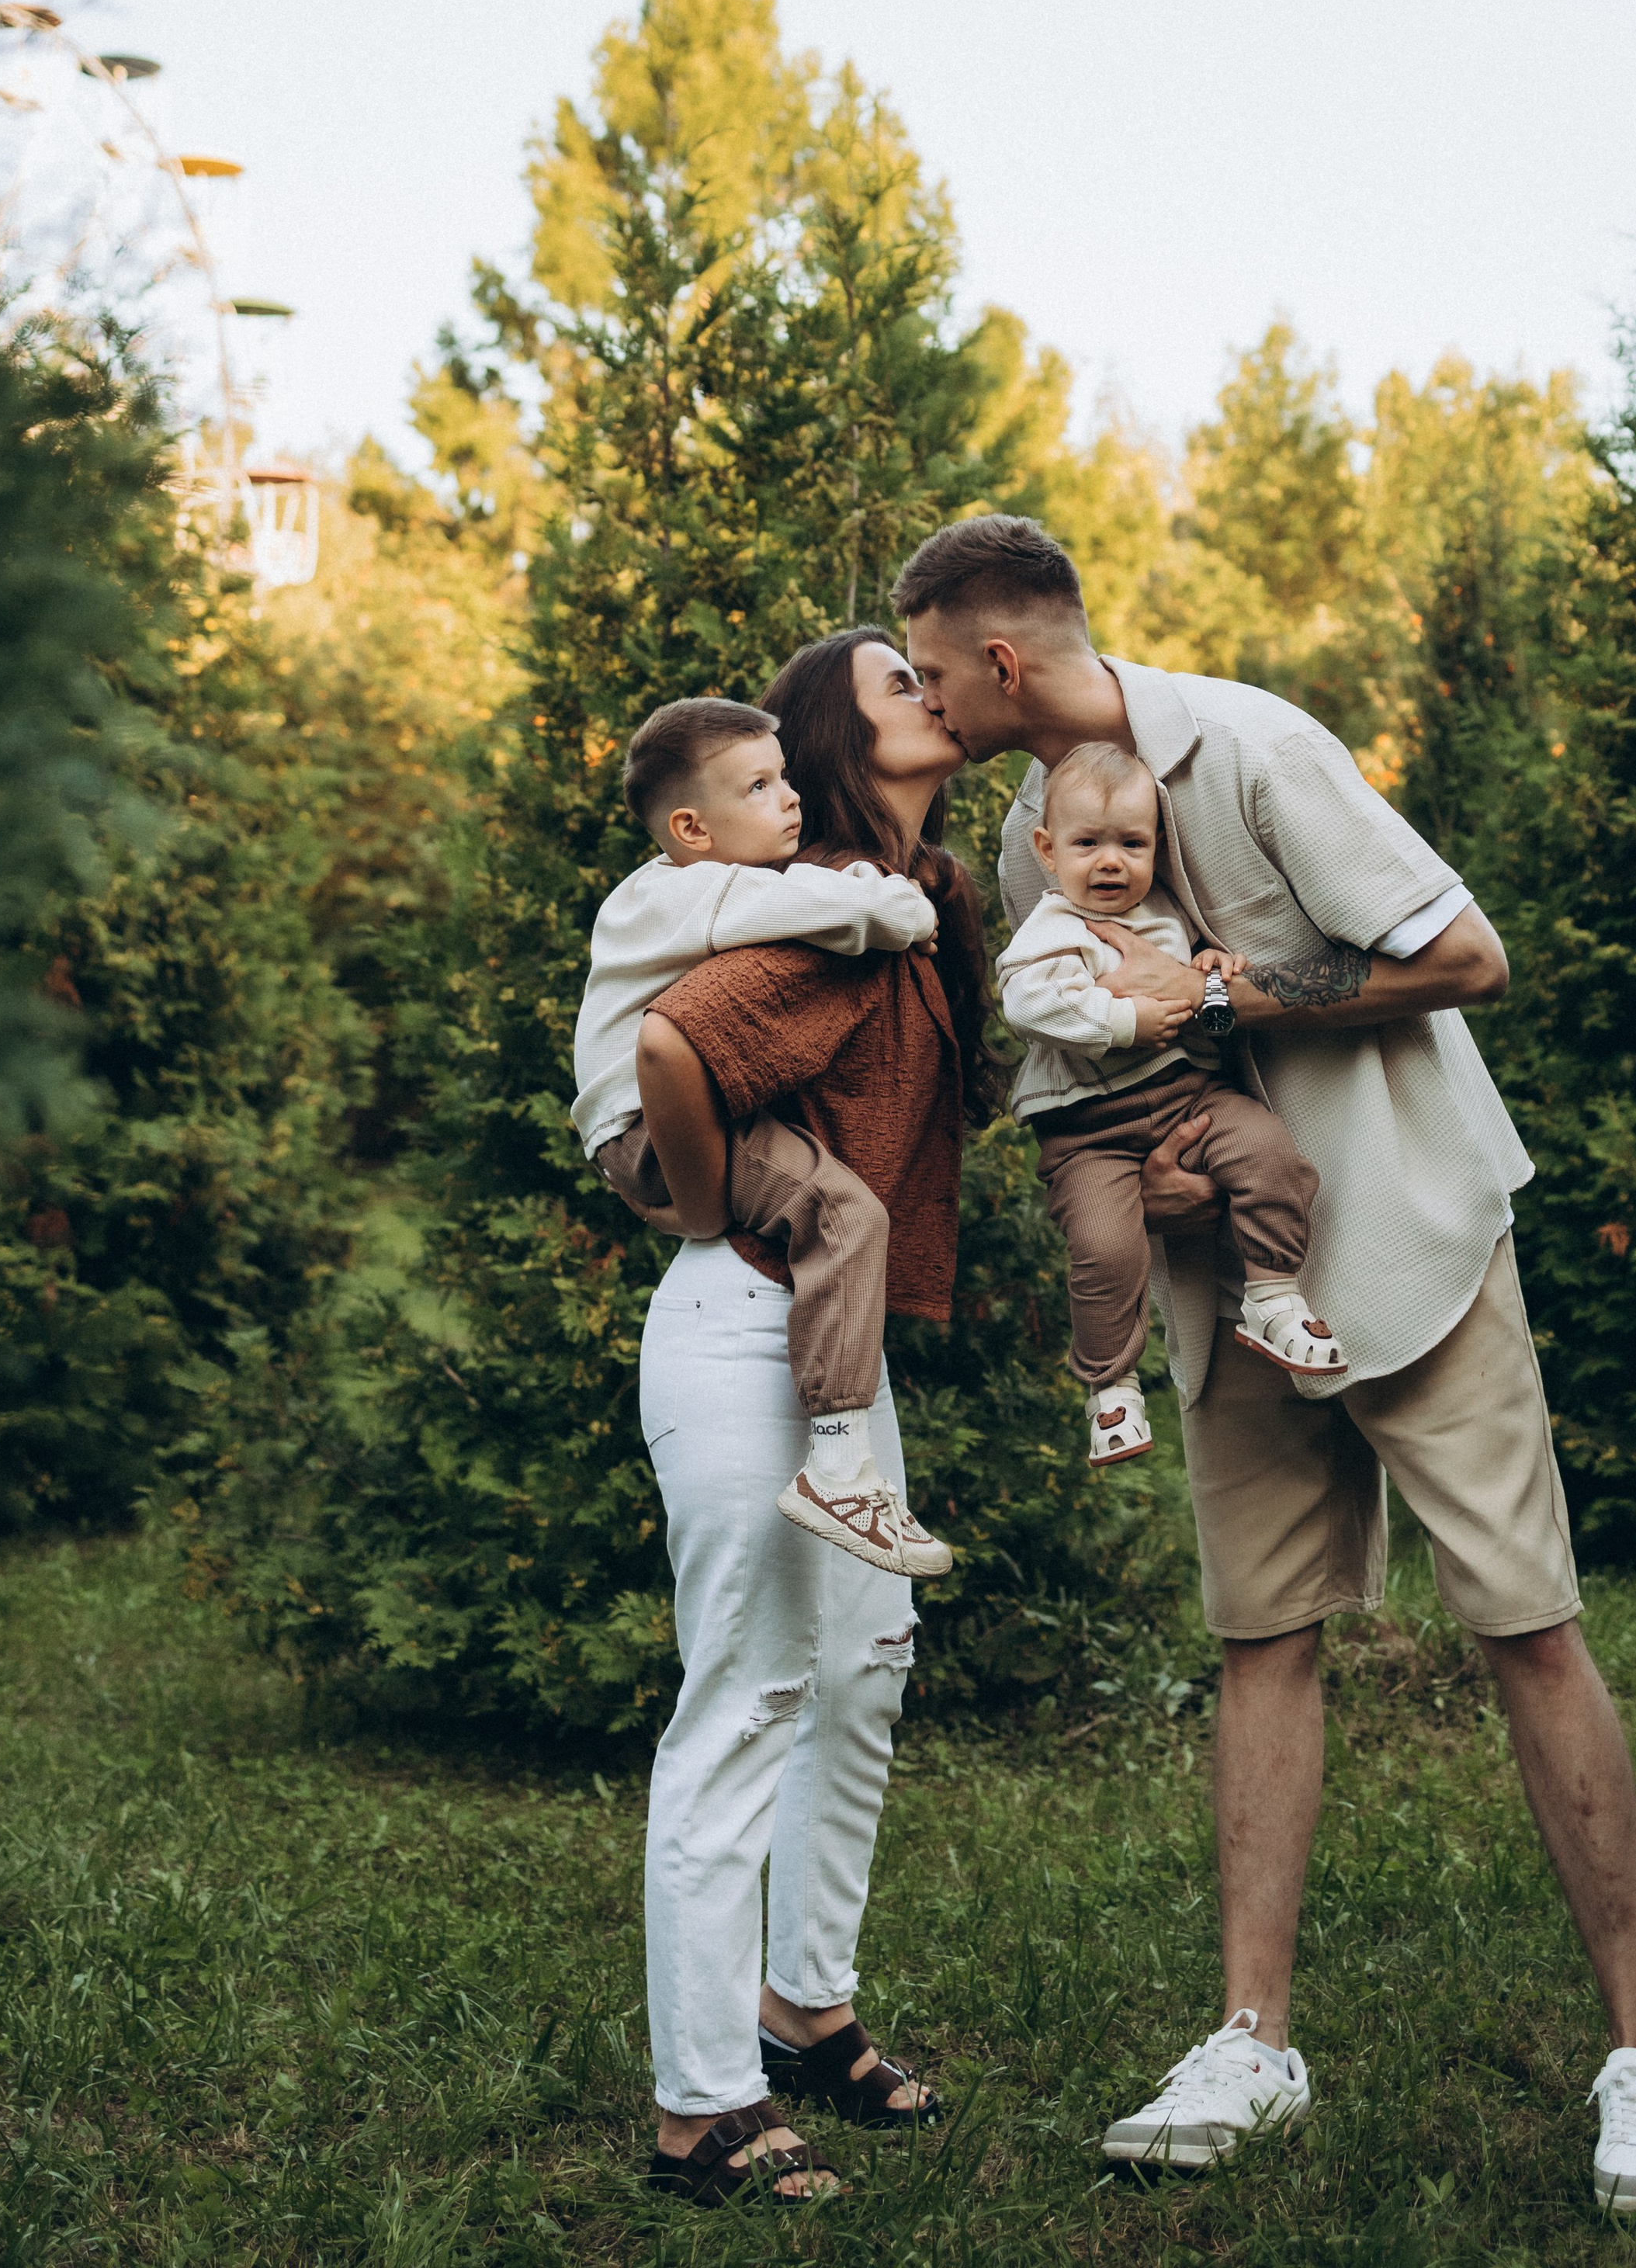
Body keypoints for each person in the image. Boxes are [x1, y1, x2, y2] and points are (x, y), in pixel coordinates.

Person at [896, 515, 1636, 2221]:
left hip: (1406, 1249)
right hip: (1225, 1291)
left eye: (918, 669)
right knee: (1258, 1641)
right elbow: (1070, 1082)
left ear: (994, 661)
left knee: (1523, 1625)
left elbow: (1465, 956)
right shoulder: (1026, 827)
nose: (910, 702)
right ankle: (1250, 2040)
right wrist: (1150, 1181)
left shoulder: (1254, 747)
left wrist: (1232, 1001)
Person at [606, 628, 994, 2206]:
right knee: (750, 1692)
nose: (930, 691)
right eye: (899, 679)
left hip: (825, 1348)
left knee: (862, 1667)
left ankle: (801, 2008)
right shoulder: (810, 909)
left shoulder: (908, 903)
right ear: (841, 739)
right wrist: (704, 1211)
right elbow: (666, 1044)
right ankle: (698, 2108)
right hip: (741, 1326)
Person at [572, 692, 952, 1568]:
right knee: (846, 1215)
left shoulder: (702, 892)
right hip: (646, 1128)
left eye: (785, 780)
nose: (789, 801)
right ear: (692, 829)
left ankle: (842, 1461)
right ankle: (835, 1466)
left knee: (842, 1212)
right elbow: (854, 916)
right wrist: (901, 907)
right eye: (757, 787)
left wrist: (863, 889)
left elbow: (813, 898)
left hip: (648, 1124)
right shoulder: (687, 894)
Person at [998, 738, 1337, 1470]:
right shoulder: (1054, 929)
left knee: (1272, 1154)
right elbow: (1029, 1006)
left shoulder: (1168, 914)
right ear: (1047, 850)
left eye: (1132, 843)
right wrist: (1124, 1021)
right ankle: (1111, 1388)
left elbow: (1196, 974)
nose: (1111, 861)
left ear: (1159, 847)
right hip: (1088, 1130)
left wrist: (1211, 966)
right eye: (1088, 844)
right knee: (1104, 1248)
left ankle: (1273, 1295)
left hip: (1191, 1097)